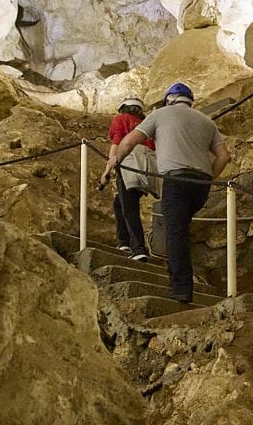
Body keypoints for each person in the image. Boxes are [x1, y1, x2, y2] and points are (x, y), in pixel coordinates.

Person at [113, 82, 230, 304]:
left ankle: (181, 289)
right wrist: (208, 179)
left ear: (169, 99)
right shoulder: (207, 121)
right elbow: (224, 156)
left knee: (175, 233)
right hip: (200, 184)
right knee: (181, 228)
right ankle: (181, 277)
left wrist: (116, 162)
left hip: (176, 180)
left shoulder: (161, 114)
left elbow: (128, 142)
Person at [99, 96, 156, 261]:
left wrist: (107, 171)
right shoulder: (147, 125)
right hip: (149, 169)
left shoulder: (121, 119)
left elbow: (117, 144)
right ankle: (123, 241)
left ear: (123, 108)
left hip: (129, 164)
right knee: (120, 203)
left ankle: (138, 248)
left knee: (128, 207)